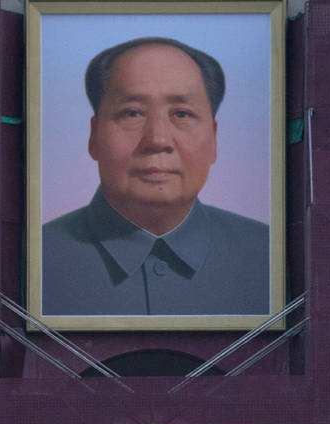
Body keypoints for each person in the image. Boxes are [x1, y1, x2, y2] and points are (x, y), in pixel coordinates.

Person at [42, 37, 270, 316]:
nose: (158, 139)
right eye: (132, 113)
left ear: (213, 139)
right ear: (94, 136)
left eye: (182, 114)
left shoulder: (268, 255)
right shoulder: (36, 258)